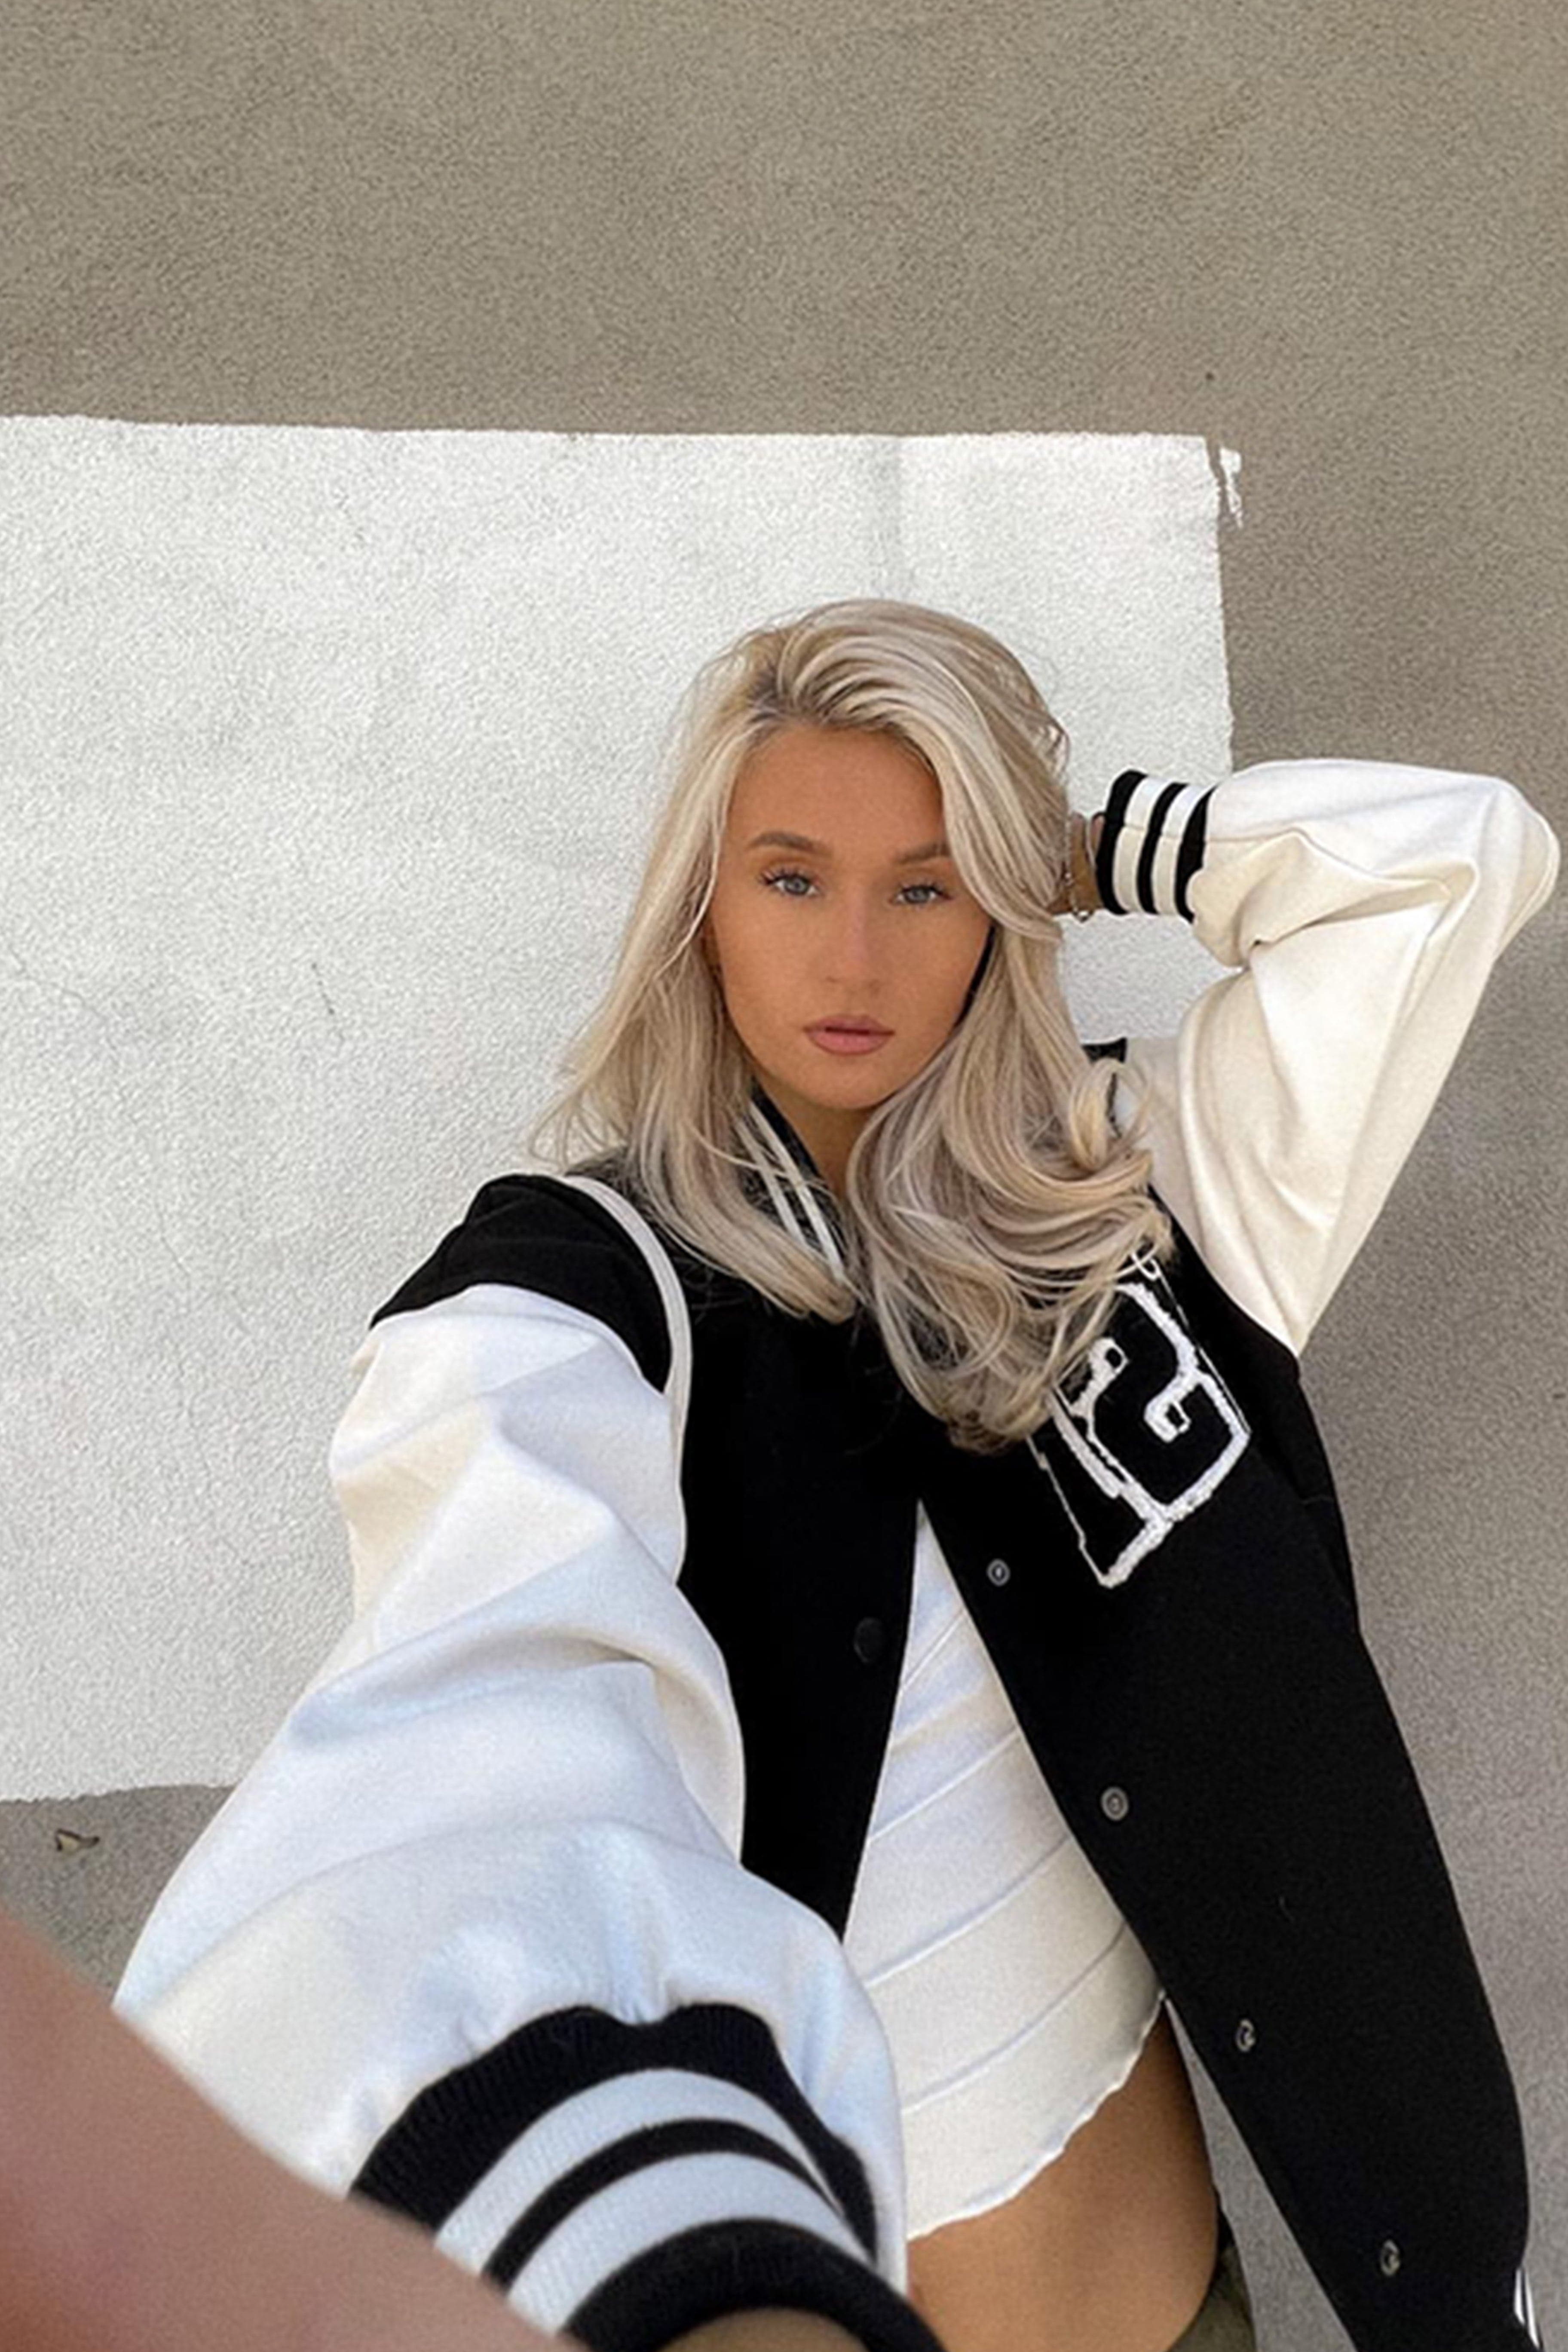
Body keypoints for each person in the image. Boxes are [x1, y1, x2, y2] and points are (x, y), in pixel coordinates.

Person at [98, 597, 1555, 2352]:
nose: (855, 957)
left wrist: (1076, 848)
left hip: (1180, 2314)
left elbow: (1454, 862)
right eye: (791, 879)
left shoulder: (1135, 1199)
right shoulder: (583, 1292)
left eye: (926, 889)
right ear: (700, 908)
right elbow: (471, 1692)